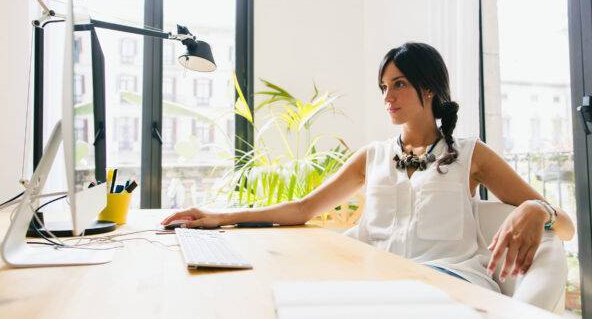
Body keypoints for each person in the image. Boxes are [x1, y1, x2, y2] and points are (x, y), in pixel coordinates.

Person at [161, 42, 575, 292]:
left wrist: (537, 209)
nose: (387, 96)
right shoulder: (372, 156)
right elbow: (303, 208)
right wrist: (219, 216)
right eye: (383, 87)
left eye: (398, 84)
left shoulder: (471, 155)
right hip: (378, 284)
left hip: (449, 284)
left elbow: (568, 228)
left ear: (428, 88)